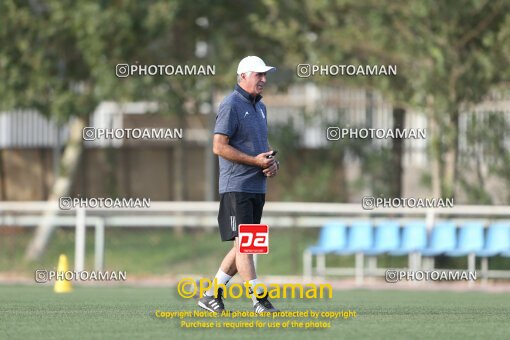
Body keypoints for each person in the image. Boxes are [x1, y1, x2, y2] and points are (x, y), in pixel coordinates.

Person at [198, 56, 280, 314]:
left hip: (256, 187)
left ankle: (211, 295)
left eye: (265, 75)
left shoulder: (261, 107)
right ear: (243, 76)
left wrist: (270, 163)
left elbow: (259, 149)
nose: (264, 80)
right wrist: (254, 162)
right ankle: (259, 300)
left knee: (245, 245)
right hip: (237, 186)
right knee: (245, 245)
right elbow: (218, 146)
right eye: (259, 75)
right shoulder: (231, 104)